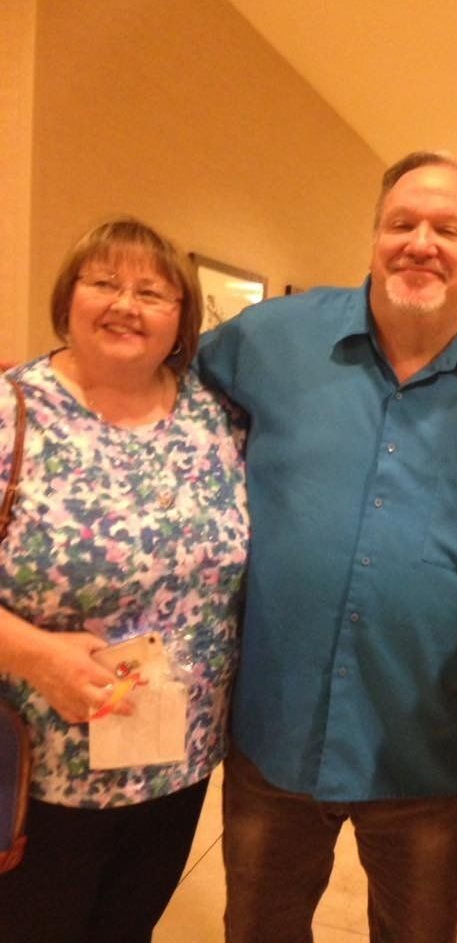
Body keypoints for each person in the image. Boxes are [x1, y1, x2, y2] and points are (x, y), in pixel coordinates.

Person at [197, 150, 457, 942]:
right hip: (276, 738)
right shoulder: (271, 339)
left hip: (425, 758)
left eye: (447, 229)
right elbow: (156, 392)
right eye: (402, 223)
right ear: (375, 235)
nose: (421, 243)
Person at [0, 218, 249, 943]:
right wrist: (36, 655)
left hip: (177, 760)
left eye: (151, 292)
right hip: (41, 775)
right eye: (104, 282)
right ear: (68, 297)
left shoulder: (216, 417)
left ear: (182, 320)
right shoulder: (14, 412)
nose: (125, 305)